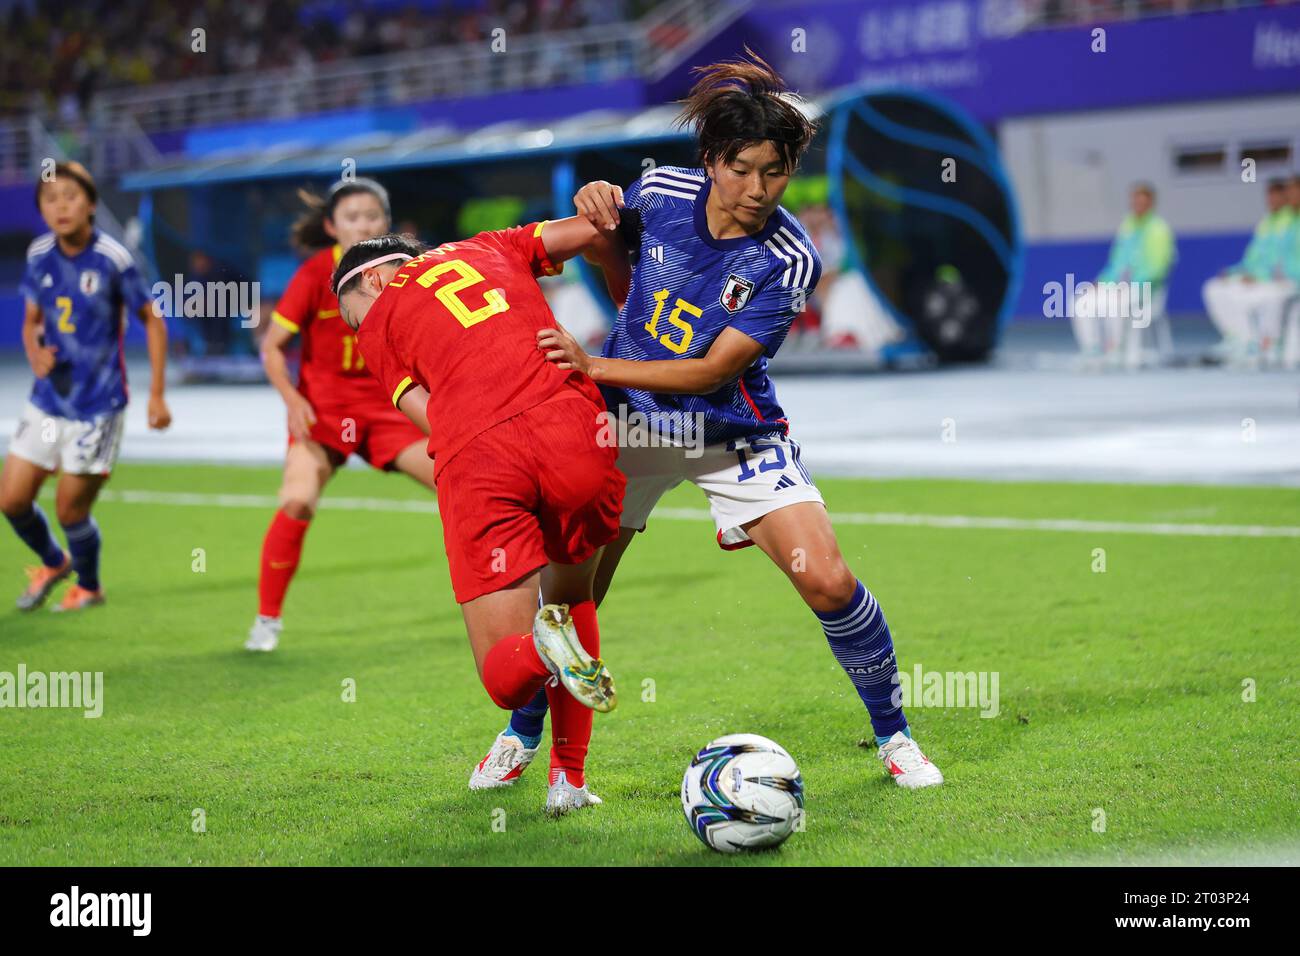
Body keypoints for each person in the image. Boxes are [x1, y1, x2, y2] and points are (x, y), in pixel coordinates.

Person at [476, 50, 945, 790]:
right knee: (575, 600)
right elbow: (609, 248)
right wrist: (598, 206)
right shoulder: (659, 191)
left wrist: (592, 365)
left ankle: (895, 738)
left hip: (730, 433)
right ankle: (522, 734)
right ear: (710, 159)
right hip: (627, 428)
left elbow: (712, 372)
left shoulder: (788, 258)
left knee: (827, 580)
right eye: (742, 168)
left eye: (777, 171)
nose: (758, 189)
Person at [331, 215, 629, 815]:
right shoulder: (489, 244)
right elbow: (600, 231)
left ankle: (544, 652)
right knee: (574, 596)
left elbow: (432, 418)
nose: (357, 328)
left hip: (482, 456)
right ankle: (568, 782)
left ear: (374, 281)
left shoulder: (380, 324)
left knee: (502, 675)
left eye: (352, 315)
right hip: (573, 421)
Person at [246, 178, 433, 652]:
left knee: (461, 481)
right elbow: (271, 348)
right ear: (332, 226)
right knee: (297, 501)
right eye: (352, 217)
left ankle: (515, 596)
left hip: (392, 410)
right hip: (323, 414)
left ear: (386, 223)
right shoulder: (314, 276)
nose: (364, 224)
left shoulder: (406, 272)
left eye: (373, 216)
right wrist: (292, 400)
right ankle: (266, 621)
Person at [1, 161, 172, 611]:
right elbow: (32, 322)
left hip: (99, 406)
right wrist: (34, 351)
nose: (61, 206)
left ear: (90, 204)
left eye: (71, 197)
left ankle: (90, 585)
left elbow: (152, 321)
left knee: (69, 510)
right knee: (12, 499)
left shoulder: (113, 259)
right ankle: (55, 562)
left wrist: (157, 393)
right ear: (41, 208)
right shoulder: (39, 254)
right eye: (51, 199)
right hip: (48, 400)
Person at [1071, 182, 1175, 365]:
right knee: (1081, 300)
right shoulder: (1127, 226)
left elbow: (1157, 269)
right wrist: (1102, 281)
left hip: (1146, 289)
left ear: (1151, 204)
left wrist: (1131, 284)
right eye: (1135, 202)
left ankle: (1115, 349)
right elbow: (1116, 263)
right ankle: (1093, 349)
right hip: (1120, 286)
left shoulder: (1159, 230)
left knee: (1117, 302)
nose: (1138, 206)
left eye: (1143, 202)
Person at [1203, 177, 1296, 366]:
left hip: (1283, 282)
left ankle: (1265, 345)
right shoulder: (1267, 223)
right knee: (1215, 288)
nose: (1272, 200)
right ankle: (1245, 341)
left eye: (1279, 195)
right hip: (1265, 279)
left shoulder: (1290, 223)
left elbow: (1284, 263)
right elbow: (1253, 258)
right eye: (1269, 196)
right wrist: (1235, 272)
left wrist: (1261, 276)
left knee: (1268, 297)